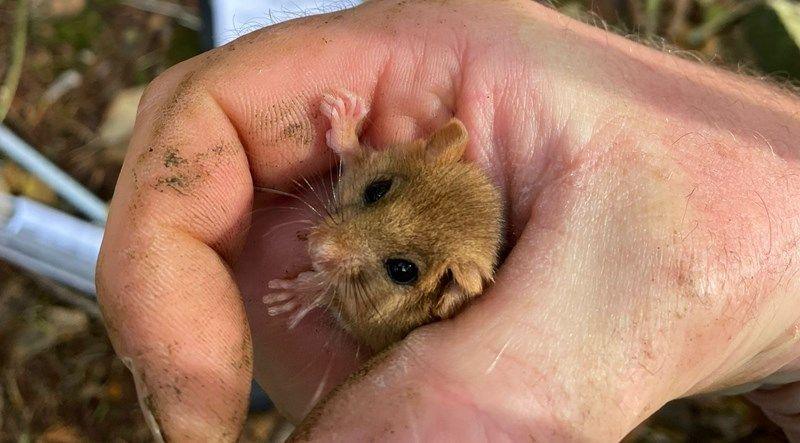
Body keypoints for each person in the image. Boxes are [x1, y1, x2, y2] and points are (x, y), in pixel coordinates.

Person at [95, 0, 800, 440]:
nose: (332, 239)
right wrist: (344, 145)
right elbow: (371, 170)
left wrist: (326, 290)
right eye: (373, 197)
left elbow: (372, 325)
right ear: (439, 147)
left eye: (401, 268)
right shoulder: (420, 166)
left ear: (449, 291)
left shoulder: (431, 306)